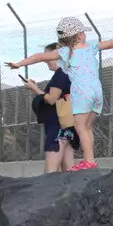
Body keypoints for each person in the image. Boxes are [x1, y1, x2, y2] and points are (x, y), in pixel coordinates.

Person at [7, 17, 113, 171]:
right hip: (97, 91)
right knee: (88, 127)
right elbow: (111, 43)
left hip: (81, 92)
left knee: (81, 127)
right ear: (79, 35)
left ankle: (89, 161)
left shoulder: (65, 52)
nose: (85, 34)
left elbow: (39, 57)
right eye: (83, 32)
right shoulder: (91, 46)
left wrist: (19, 64)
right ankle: (90, 160)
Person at [20, 41, 75, 173]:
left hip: (57, 127)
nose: (45, 60)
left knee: (50, 173)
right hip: (65, 127)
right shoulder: (67, 74)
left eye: (47, 57)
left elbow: (51, 99)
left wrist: (34, 89)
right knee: (68, 171)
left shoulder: (61, 75)